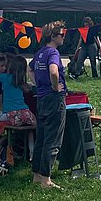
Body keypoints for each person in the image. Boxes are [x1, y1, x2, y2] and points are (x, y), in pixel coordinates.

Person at [30, 21, 68, 189]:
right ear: (53, 37)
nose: (63, 37)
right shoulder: (53, 53)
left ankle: (37, 175)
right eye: (62, 35)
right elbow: (53, 71)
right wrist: (54, 86)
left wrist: (38, 84)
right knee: (53, 140)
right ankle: (46, 179)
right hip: (54, 99)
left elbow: (30, 69)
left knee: (41, 138)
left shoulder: (40, 53)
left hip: (41, 99)